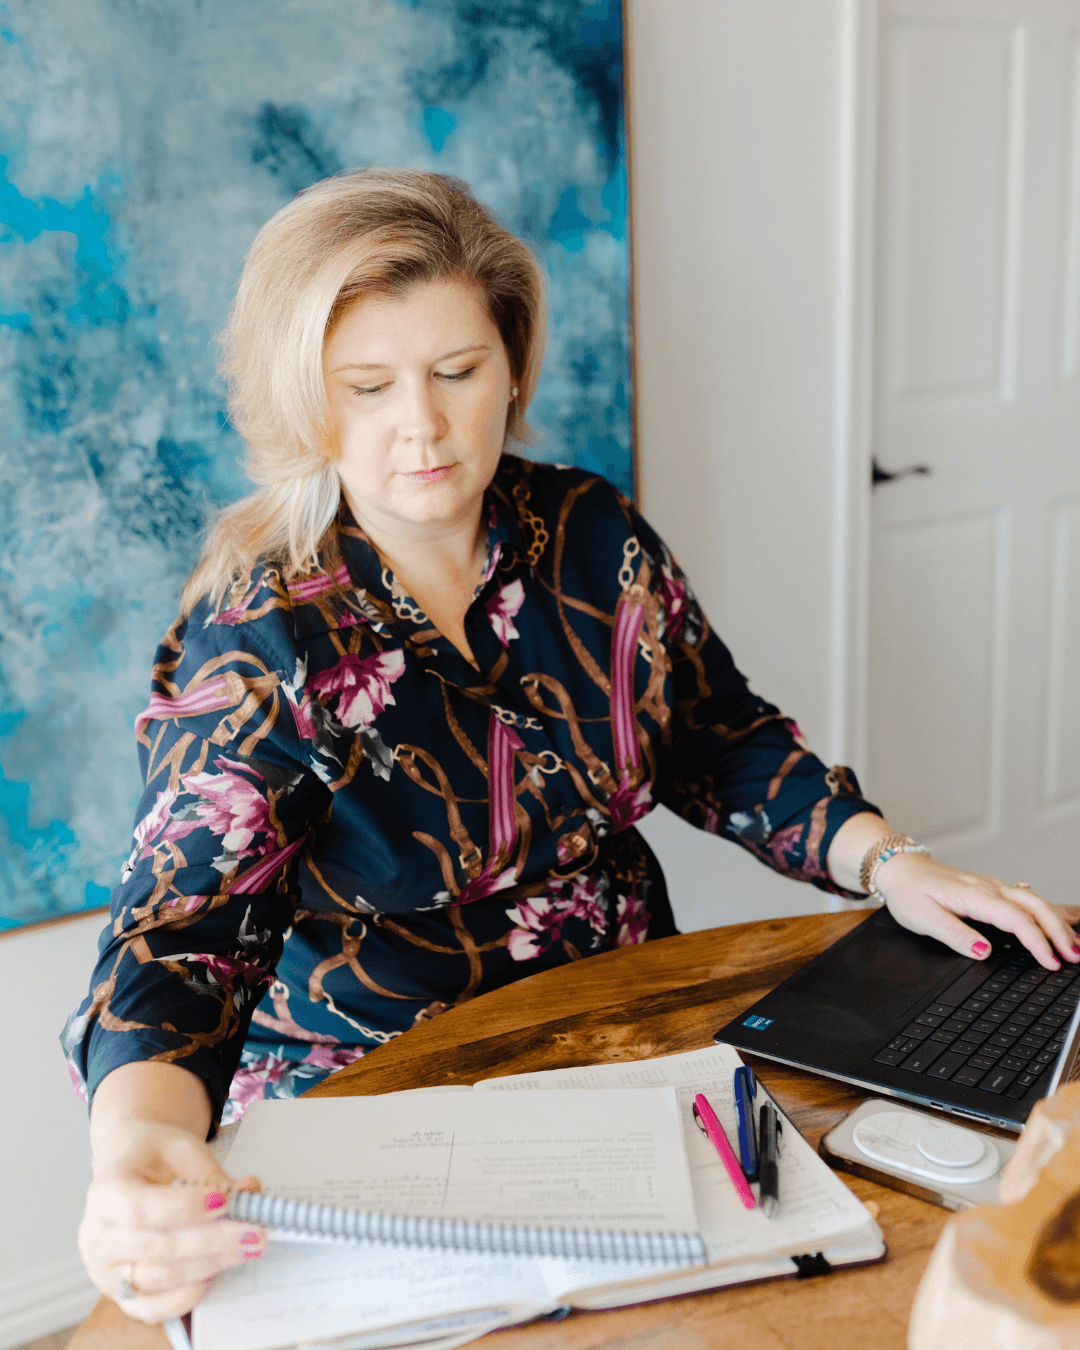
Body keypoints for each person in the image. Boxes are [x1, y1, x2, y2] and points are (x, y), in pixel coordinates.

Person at [66, 168, 1080, 1324]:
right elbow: (178, 940)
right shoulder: (265, 637)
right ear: (303, 402)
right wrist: (135, 1147)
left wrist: (890, 861)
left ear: (513, 367)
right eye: (367, 387)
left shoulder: (589, 532)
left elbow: (716, 732)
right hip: (385, 1103)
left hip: (628, 1048)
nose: (424, 426)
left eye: (458, 372)